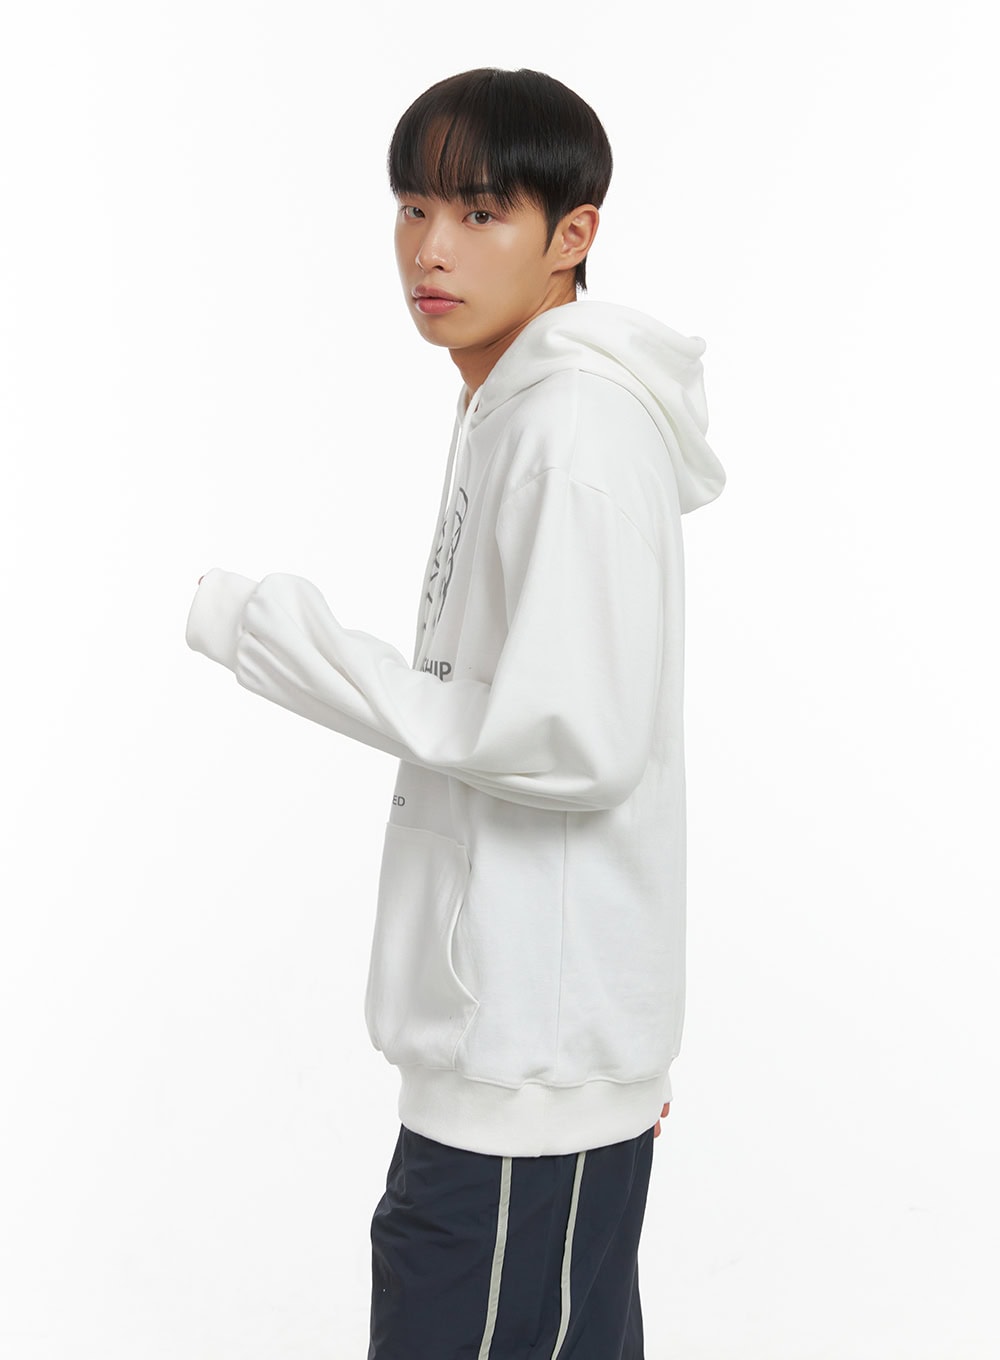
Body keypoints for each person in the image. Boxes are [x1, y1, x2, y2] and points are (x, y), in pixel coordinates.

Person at [186, 66, 724, 1360]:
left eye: (481, 213)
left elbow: (570, 737)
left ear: (572, 234)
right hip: (522, 1062)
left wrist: (275, 634)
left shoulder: (573, 430)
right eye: (413, 207)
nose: (431, 248)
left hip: (529, 1076)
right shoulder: (515, 406)